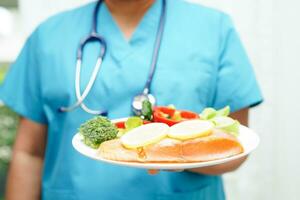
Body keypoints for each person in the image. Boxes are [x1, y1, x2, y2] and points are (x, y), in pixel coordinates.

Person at [0, 0, 263, 199]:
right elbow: (30, 153)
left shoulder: (213, 29)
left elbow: (235, 147)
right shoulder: (49, 36)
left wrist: (175, 156)